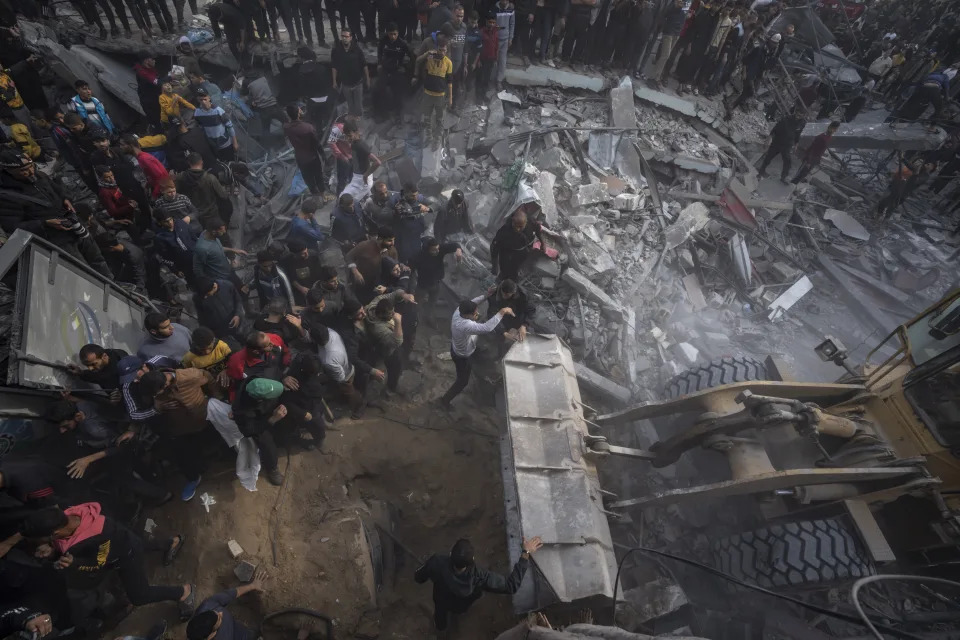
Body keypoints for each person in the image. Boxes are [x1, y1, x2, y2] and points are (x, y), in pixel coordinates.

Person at [19, 505, 196, 619]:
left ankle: (183, 592)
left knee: (139, 596)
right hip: (122, 537)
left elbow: (99, 563)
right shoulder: (69, 514)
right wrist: (52, 549)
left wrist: (74, 563)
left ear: (55, 533)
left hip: (123, 553)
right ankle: (171, 543)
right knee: (137, 543)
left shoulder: (96, 536)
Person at [0, 150, 111, 278]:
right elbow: (13, 227)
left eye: (31, 166)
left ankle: (112, 283)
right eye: (23, 170)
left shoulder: (39, 176)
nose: (30, 172)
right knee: (81, 270)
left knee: (97, 258)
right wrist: (44, 223)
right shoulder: (6, 196)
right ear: (8, 170)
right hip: (55, 239)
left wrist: (64, 198)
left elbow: (57, 188)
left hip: (73, 225)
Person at [415, 536, 542, 631]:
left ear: (450, 553)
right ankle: (452, 619)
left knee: (440, 616)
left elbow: (419, 577)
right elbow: (511, 586)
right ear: (473, 560)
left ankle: (440, 629)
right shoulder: (480, 576)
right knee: (459, 609)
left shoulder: (436, 562)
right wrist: (526, 553)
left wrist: (427, 570)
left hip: (441, 600)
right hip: (462, 605)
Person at [232, 377, 326, 485]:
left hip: (275, 409)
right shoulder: (241, 409)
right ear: (261, 399)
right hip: (260, 421)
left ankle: (295, 439)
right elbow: (250, 430)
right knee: (265, 441)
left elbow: (277, 371)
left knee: (291, 420)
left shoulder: (261, 377)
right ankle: (272, 468)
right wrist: (272, 419)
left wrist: (283, 379)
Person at [437, 295, 513, 407]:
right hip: (462, 356)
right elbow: (487, 328)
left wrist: (486, 294)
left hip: (464, 347)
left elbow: (473, 302)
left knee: (480, 359)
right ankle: (445, 401)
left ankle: (480, 378)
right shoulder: (465, 325)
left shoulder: (459, 311)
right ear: (467, 315)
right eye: (474, 313)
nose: (476, 314)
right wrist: (502, 312)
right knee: (462, 381)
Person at [185, 570, 268, 640]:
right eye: (219, 619)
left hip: (242, 633)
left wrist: (252, 586)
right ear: (210, 636)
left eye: (217, 613)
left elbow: (232, 594)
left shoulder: (208, 605)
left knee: (253, 634)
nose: (221, 613)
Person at [283, 104, 332, 201]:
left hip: (300, 158)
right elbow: (317, 144)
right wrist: (324, 157)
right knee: (318, 176)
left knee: (308, 178)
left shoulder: (286, 128)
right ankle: (323, 196)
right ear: (298, 113)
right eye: (299, 110)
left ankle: (315, 196)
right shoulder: (308, 128)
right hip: (312, 157)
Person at [489, 209, 549, 283]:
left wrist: (543, 243)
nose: (517, 229)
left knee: (517, 266)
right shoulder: (504, 231)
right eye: (515, 225)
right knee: (505, 269)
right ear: (512, 221)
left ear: (525, 223)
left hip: (525, 249)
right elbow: (494, 247)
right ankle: (501, 280)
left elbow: (537, 230)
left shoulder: (531, 222)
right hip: (509, 251)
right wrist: (494, 266)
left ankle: (514, 276)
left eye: (520, 226)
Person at [176, 153, 232, 226]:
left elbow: (176, 194)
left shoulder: (180, 177)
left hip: (191, 215)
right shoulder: (210, 178)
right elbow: (223, 195)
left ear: (189, 163)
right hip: (210, 214)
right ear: (201, 162)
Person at [417, 39, 454, 149]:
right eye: (440, 50)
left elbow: (450, 82)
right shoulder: (430, 58)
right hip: (428, 94)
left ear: (446, 51)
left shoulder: (448, 62)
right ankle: (429, 138)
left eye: (444, 50)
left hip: (440, 96)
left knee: (439, 120)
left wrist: (450, 97)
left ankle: (437, 141)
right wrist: (427, 54)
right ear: (436, 49)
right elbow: (418, 61)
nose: (442, 52)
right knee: (426, 118)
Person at [346, 227, 399, 302]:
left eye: (393, 240)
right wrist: (355, 271)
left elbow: (395, 266)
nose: (393, 243)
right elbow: (349, 256)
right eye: (389, 241)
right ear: (380, 239)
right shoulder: (365, 246)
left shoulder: (392, 251)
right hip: (362, 286)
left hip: (380, 289)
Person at [412, 237, 462, 315]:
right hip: (423, 284)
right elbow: (411, 267)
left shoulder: (440, 249)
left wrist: (458, 250)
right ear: (428, 249)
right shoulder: (420, 256)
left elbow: (455, 245)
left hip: (437, 283)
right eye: (434, 250)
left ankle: (428, 317)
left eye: (438, 248)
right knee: (416, 303)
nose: (437, 251)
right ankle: (414, 317)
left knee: (432, 303)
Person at [376, 23, 415, 120]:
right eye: (390, 34)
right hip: (385, 69)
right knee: (380, 89)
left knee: (398, 91)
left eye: (395, 34)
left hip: (397, 70)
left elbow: (412, 57)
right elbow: (379, 52)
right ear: (387, 33)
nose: (393, 36)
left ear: (398, 33)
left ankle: (398, 113)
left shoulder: (402, 43)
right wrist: (379, 63)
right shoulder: (383, 41)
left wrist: (406, 68)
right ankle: (382, 113)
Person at [194, 217, 249, 284]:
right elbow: (197, 269)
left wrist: (233, 250)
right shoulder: (202, 248)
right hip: (220, 280)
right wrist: (209, 285)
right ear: (213, 232)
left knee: (243, 290)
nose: (225, 232)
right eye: (222, 230)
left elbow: (217, 248)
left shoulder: (208, 234)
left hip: (228, 272)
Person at [757, 107, 805, 183]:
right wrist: (769, 138)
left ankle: (784, 177)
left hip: (787, 145)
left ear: (803, 116)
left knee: (787, 161)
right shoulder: (786, 119)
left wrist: (796, 143)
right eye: (797, 114)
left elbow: (798, 133)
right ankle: (760, 173)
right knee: (768, 157)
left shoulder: (802, 123)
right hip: (778, 141)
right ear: (795, 112)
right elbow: (775, 129)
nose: (798, 117)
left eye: (800, 116)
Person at [194, 276, 245, 345]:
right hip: (219, 331)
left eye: (207, 294)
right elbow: (201, 317)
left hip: (236, 323)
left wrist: (237, 315)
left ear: (214, 287)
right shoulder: (198, 297)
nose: (205, 297)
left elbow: (238, 300)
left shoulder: (228, 285)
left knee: (244, 341)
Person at [332, 28, 370, 116]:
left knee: (359, 107)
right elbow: (334, 67)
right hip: (345, 84)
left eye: (346, 36)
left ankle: (359, 124)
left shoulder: (357, 49)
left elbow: (364, 65)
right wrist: (334, 81)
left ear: (350, 37)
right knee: (350, 106)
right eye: (342, 36)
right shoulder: (336, 51)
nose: (344, 38)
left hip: (357, 83)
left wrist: (367, 79)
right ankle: (353, 124)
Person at [193, 90, 239, 162]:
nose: (203, 102)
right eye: (201, 100)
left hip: (225, 143)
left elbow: (230, 126)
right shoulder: (197, 113)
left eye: (205, 99)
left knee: (231, 162)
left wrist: (235, 142)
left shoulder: (218, 110)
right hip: (212, 145)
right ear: (198, 100)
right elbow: (200, 128)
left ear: (209, 98)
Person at [792, 120, 840, 184]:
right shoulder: (821, 137)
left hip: (815, 158)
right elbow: (812, 149)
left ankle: (797, 181)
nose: (835, 131)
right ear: (831, 128)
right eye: (835, 129)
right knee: (802, 172)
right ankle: (793, 183)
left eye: (836, 129)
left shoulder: (828, 137)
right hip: (810, 158)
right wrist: (809, 161)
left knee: (805, 173)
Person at [121, 134, 169, 198]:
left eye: (122, 145)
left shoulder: (144, 159)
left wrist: (154, 195)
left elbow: (160, 177)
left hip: (165, 191)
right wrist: (148, 185)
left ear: (131, 145)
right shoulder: (140, 158)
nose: (120, 147)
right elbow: (152, 176)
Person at [392, 183, 430, 264]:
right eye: (412, 196)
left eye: (416, 195)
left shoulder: (419, 198)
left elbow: (433, 204)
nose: (415, 197)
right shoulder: (396, 200)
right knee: (404, 256)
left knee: (417, 254)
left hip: (416, 233)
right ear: (406, 193)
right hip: (403, 235)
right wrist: (395, 212)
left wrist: (426, 208)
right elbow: (385, 214)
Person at [280, 239, 325, 304]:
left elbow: (319, 273)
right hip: (299, 291)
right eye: (303, 254)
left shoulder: (314, 255)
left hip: (315, 287)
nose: (307, 254)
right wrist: (300, 288)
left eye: (306, 251)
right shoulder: (287, 261)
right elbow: (289, 277)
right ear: (294, 254)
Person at [475, 12, 499, 99]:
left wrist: (496, 59)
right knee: (480, 79)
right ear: (486, 22)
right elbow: (477, 48)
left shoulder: (496, 32)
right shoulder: (481, 32)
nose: (492, 24)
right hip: (482, 59)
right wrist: (478, 60)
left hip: (491, 59)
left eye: (493, 22)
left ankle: (483, 95)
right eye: (490, 22)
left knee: (487, 79)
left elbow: (496, 46)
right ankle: (478, 97)